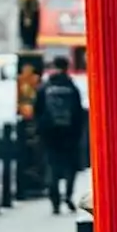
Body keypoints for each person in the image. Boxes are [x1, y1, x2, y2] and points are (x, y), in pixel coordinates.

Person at [33, 55, 86, 214]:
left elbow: (37, 111)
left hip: (50, 135)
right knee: (70, 168)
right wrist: (78, 134)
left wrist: (40, 131)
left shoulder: (45, 87)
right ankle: (68, 196)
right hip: (69, 135)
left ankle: (54, 199)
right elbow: (79, 113)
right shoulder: (72, 87)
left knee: (52, 167)